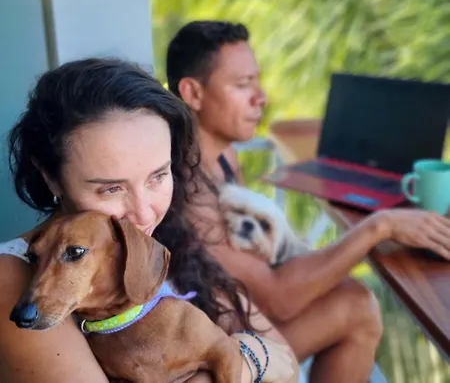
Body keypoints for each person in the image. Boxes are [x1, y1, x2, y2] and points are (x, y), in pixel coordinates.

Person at [166, 20, 450, 382]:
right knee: (358, 307)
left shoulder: (223, 157)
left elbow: (258, 275)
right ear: (193, 93)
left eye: (257, 81)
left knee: (355, 299)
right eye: (242, 84)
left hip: (248, 324)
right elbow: (278, 300)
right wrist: (380, 226)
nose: (261, 97)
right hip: (223, 358)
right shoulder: (190, 192)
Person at [0, 58, 298, 383]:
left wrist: (243, 354)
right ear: (51, 177)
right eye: (111, 188)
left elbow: (287, 361)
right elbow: (268, 358)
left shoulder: (168, 239)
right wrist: (244, 358)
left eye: (158, 176)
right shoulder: (13, 278)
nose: (144, 213)